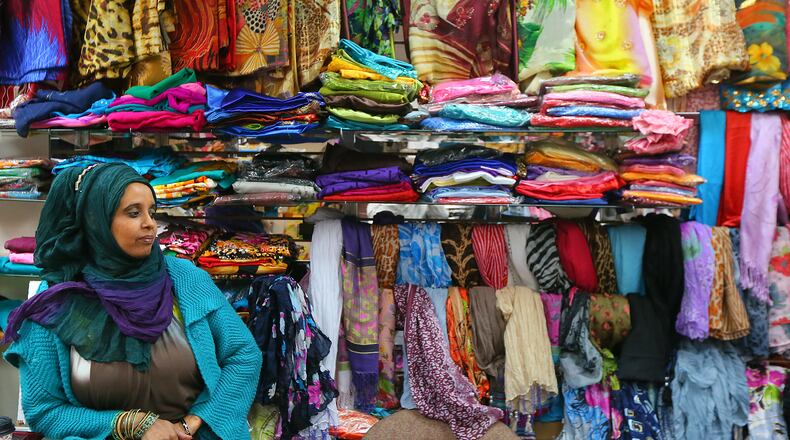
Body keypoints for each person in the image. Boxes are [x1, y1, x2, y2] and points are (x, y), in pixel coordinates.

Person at [2, 163, 262, 440]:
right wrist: (130, 424)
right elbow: (44, 411)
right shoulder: (56, 301)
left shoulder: (185, 280)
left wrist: (198, 419)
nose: (150, 223)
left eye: (152, 211)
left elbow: (244, 355)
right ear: (96, 220)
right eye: (133, 212)